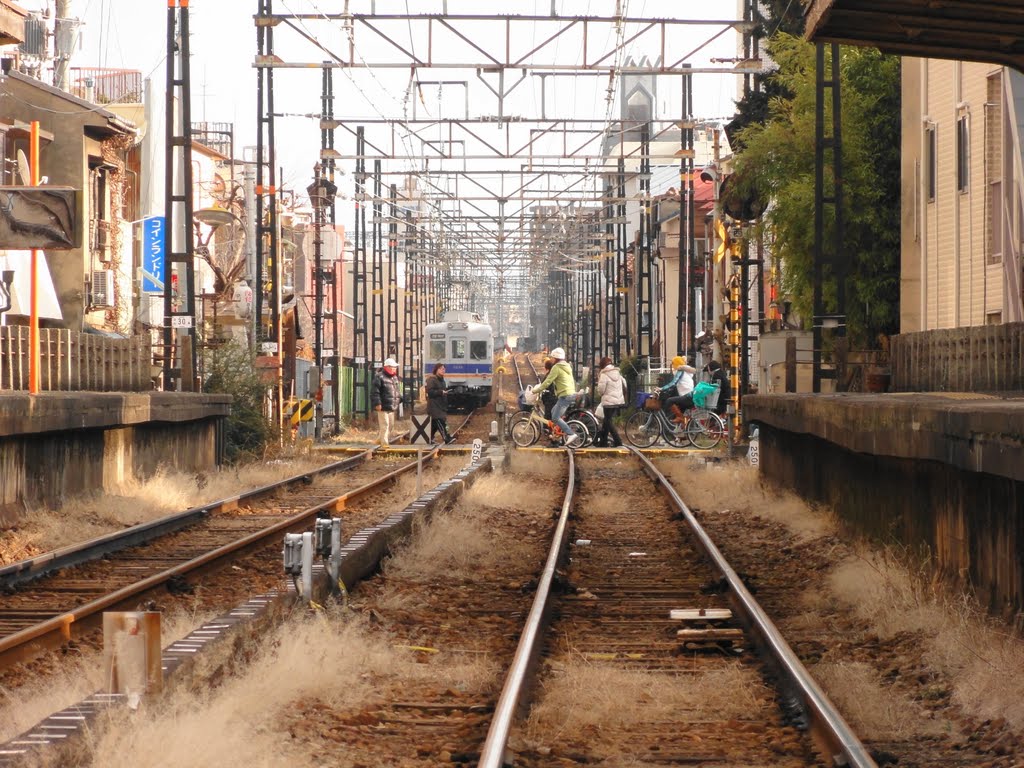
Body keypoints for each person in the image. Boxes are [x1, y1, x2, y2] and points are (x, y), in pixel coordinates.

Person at [531, 347, 580, 447]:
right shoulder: (567, 366)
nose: (551, 360)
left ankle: (571, 434)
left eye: (552, 358)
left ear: (556, 358)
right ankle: (556, 436)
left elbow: (547, 382)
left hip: (565, 395)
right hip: (568, 393)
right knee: (554, 412)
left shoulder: (556, 368)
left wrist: (535, 390)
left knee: (555, 417)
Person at [594, 356, 626, 448]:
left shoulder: (604, 374)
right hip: (618, 400)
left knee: (608, 421)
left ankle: (618, 441)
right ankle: (603, 442)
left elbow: (601, 390)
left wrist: (600, 392)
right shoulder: (618, 373)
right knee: (606, 421)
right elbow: (625, 384)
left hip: (608, 401)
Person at [371, 357, 401, 448]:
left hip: (391, 406)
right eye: (393, 367)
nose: (395, 368)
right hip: (383, 406)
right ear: (387, 367)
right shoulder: (379, 377)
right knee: (385, 425)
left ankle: (379, 440)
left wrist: (399, 399)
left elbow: (396, 391)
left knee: (390, 426)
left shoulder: (394, 378)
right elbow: (375, 392)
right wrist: (377, 403)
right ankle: (384, 443)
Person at [424, 363, 455, 444]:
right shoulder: (432, 379)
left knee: (435, 424)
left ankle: (428, 438)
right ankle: (447, 438)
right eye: (441, 369)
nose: (443, 370)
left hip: (441, 405)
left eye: (444, 369)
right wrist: (441, 392)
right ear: (436, 370)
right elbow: (430, 392)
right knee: (440, 422)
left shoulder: (442, 380)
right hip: (434, 406)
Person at [660, 355, 696, 423]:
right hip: (690, 396)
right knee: (680, 410)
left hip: (687, 396)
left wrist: (661, 389)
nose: (672, 366)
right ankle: (682, 426)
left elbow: (673, 383)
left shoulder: (680, 371)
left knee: (669, 401)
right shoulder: (686, 372)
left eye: (673, 364)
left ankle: (680, 418)